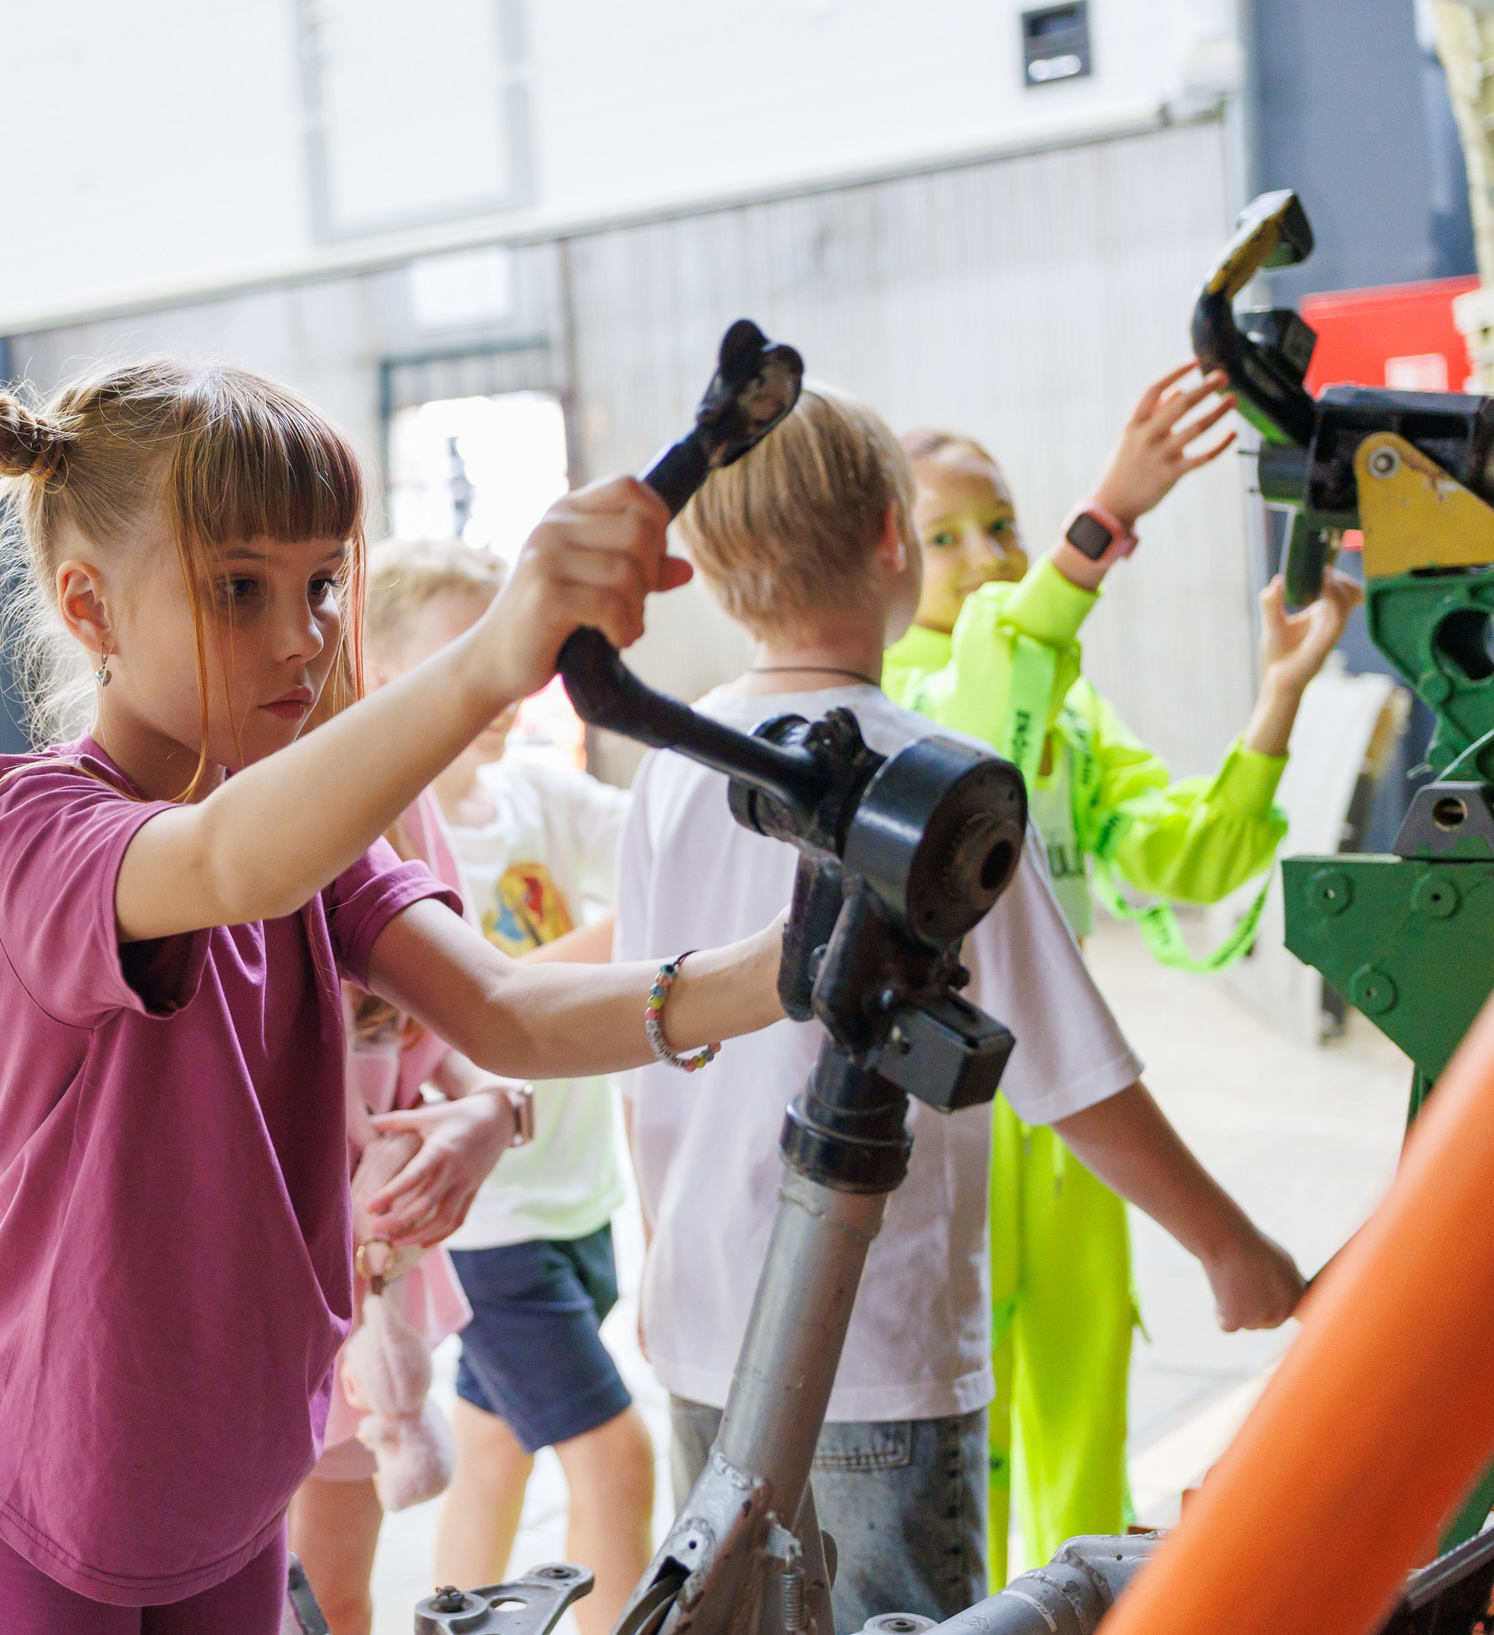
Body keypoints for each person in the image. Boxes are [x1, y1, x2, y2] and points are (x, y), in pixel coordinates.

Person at [0, 359, 790, 1635]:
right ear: (89, 606)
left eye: (323, 582)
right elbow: (226, 860)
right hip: (42, 1492)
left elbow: (504, 1011)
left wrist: (787, 969)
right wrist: (495, 659)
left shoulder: (316, 839)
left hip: (232, 1483)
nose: (303, 633)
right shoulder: (31, 819)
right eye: (239, 588)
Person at [615, 384, 1305, 1628]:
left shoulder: (668, 767)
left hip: (705, 1328)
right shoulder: (936, 781)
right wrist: (1227, 1242)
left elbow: (641, 1040)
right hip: (873, 1343)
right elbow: (1071, 1070)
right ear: (893, 535)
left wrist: (667, 1258)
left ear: (706, 574)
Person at [883, 365, 1361, 1575]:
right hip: (945, 1125)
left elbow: (1192, 853)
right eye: (943, 536)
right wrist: (1105, 519)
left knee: (1083, 1416)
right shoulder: (893, 702)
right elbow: (987, 693)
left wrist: (1277, 700)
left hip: (1076, 1119)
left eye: (1000, 525)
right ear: (883, 558)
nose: (984, 555)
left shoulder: (1069, 713)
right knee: (961, 1432)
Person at [363, 539, 654, 1634]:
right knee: (616, 1461)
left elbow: (664, 845)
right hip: (492, 1227)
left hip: (575, 1199)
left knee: (491, 1453)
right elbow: (464, 1004)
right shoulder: (387, 834)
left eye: (522, 648)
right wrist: (623, 945)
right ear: (386, 675)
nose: (509, 678)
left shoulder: (532, 794)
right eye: (472, 652)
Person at [287, 791, 516, 1635]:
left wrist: (495, 1113)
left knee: (336, 1592)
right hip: (248, 1291)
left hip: (362, 1302)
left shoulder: (397, 819)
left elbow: (479, 1044)